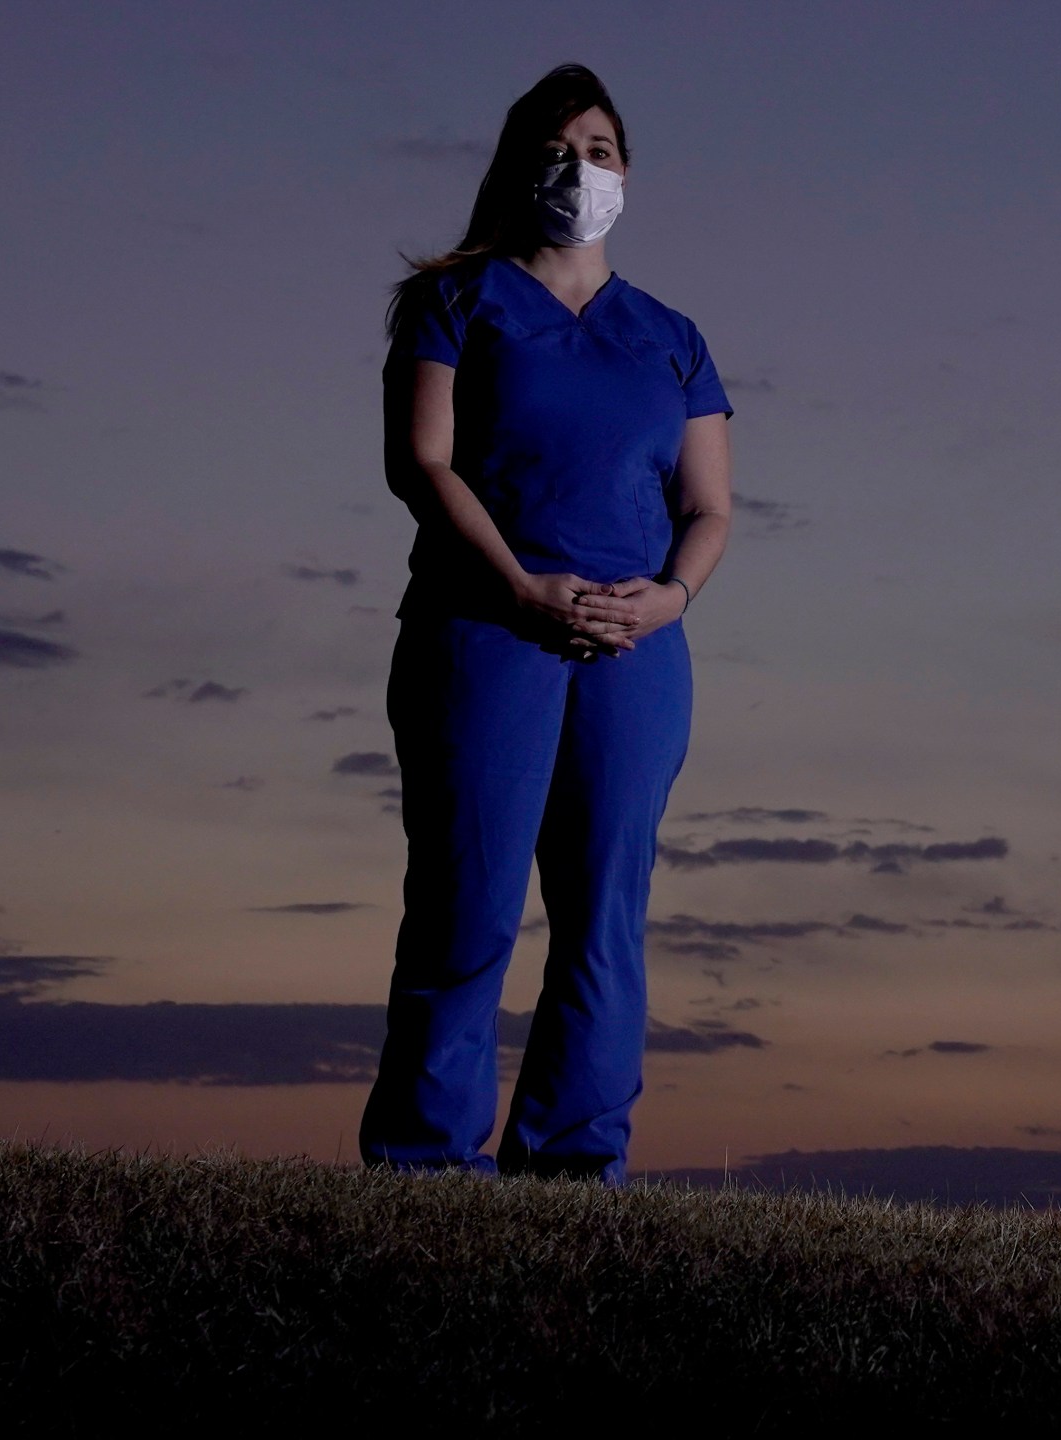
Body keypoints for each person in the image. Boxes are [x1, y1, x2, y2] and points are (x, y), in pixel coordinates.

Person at [356, 64, 733, 1186]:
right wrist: (522, 588)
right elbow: (418, 463)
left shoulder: (670, 335)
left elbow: (709, 508)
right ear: (522, 164)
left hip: (636, 652)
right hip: (486, 631)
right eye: (562, 147)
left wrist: (666, 599)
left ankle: (573, 1164)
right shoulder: (457, 302)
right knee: (468, 897)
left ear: (630, 175)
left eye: (603, 149)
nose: (583, 168)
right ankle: (426, 1161)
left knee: (604, 911)